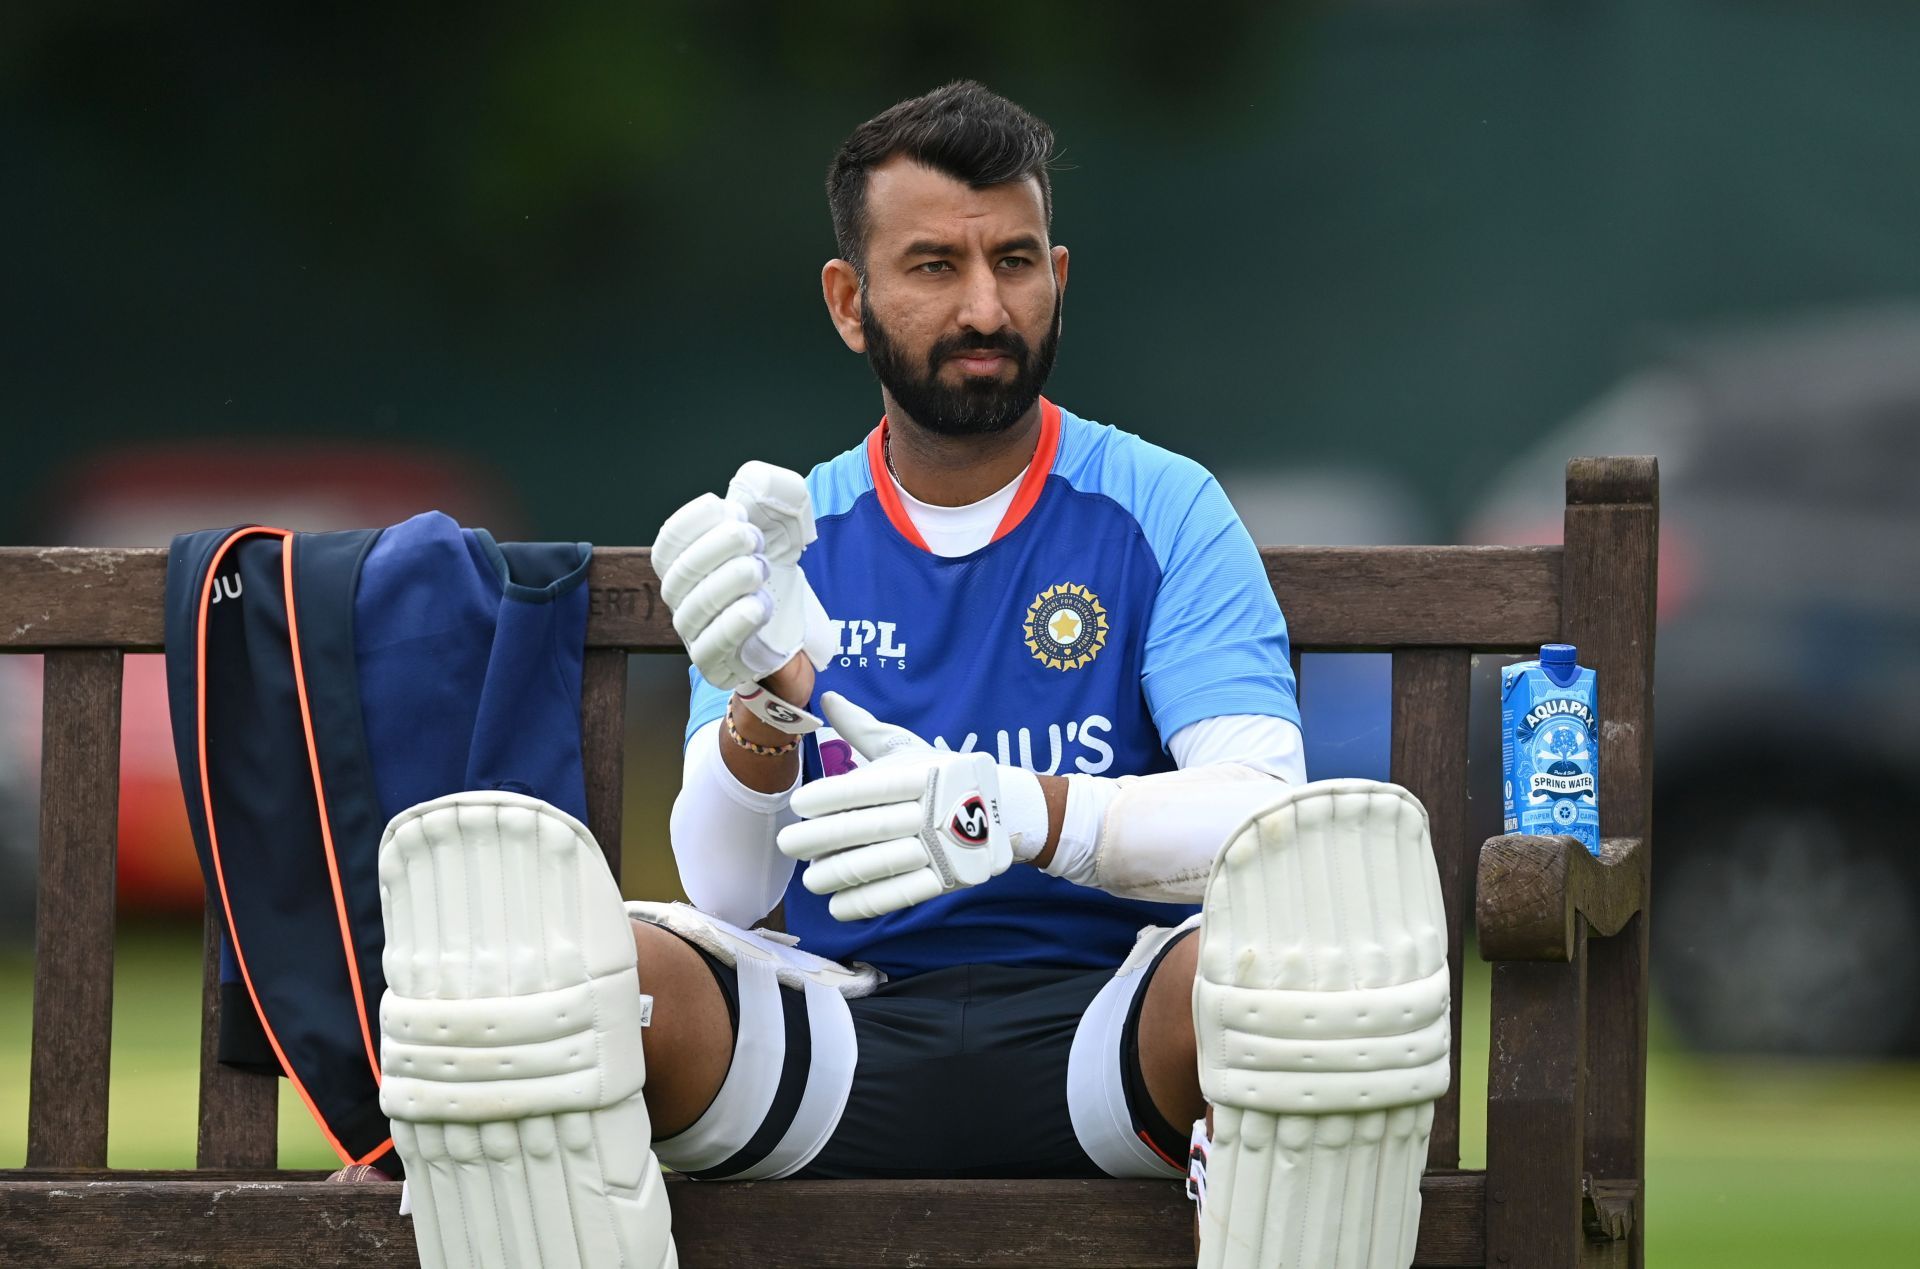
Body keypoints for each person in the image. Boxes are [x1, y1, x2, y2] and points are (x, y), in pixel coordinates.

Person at [376, 81, 1450, 1269]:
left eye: (1016, 261)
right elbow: (724, 894)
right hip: (833, 1029)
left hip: (1113, 1028)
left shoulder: (1161, 505)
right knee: (543, 984)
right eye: (935, 265)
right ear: (851, 301)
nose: (986, 305)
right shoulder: (784, 539)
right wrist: (764, 700)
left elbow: (1263, 814)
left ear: (1059, 277)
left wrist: (1012, 813)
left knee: (1307, 951)